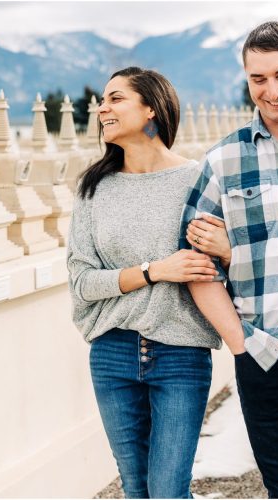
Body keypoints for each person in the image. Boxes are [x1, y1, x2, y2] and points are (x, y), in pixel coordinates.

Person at [67, 66, 232, 499]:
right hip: (112, 352)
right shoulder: (93, 189)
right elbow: (82, 282)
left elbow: (218, 266)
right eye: (102, 99)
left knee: (167, 491)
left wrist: (225, 247)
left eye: (116, 98)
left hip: (181, 353)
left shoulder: (198, 180)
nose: (102, 108)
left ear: (152, 109)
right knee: (136, 490)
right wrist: (154, 271)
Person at [180, 21, 278, 499]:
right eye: (258, 79)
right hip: (264, 352)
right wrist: (240, 342)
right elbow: (197, 267)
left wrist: (237, 248)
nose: (273, 90)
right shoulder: (223, 161)